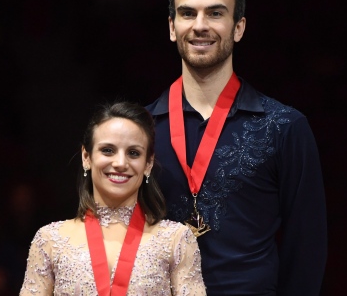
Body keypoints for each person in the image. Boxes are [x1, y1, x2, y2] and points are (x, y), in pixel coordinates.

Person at [146, 0, 327, 295]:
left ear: (238, 27)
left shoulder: (285, 127)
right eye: (187, 14)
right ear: (172, 27)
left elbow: (307, 247)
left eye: (215, 14)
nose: (200, 26)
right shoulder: (140, 132)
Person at [19, 101, 206, 295]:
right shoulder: (49, 240)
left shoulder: (176, 240)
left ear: (148, 163)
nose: (120, 163)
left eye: (133, 153)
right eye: (108, 150)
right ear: (86, 157)